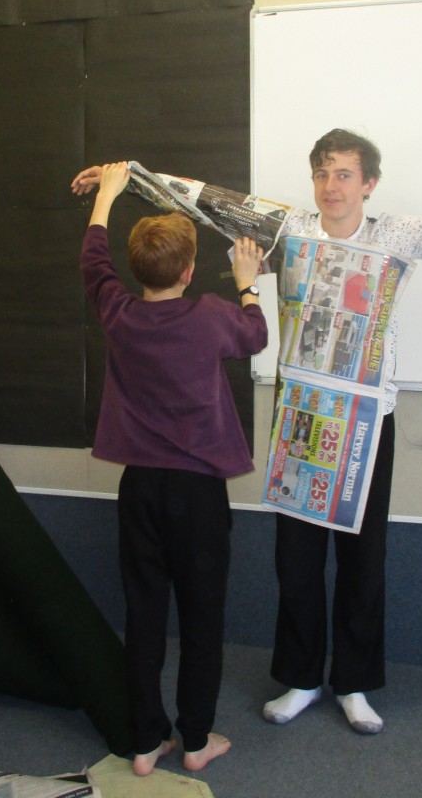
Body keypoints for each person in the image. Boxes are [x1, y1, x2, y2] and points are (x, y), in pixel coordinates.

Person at [71, 129, 422, 735]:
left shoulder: (395, 236)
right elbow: (202, 199)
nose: (330, 186)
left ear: (369, 183)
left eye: (343, 174)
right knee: (296, 561)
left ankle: (354, 683)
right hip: (302, 418)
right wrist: (126, 173)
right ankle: (301, 677)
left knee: (363, 560)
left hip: (366, 424)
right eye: (321, 173)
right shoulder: (289, 229)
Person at [81, 162, 268, 776]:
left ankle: (144, 743)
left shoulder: (117, 312)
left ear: (137, 270)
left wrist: (107, 198)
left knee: (144, 616)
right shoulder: (211, 315)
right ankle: (194, 741)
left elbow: (93, 262)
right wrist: (247, 283)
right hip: (197, 495)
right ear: (188, 272)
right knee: (201, 618)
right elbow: (256, 336)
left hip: (140, 490)